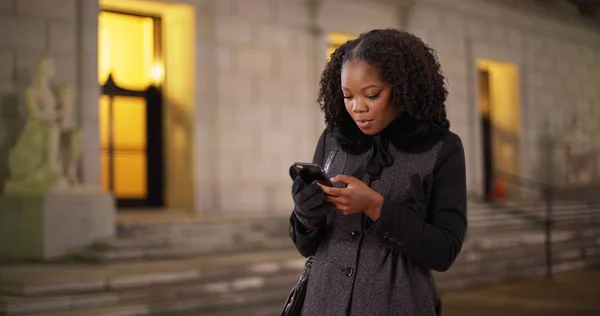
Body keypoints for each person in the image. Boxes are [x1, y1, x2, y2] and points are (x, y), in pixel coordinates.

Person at [288, 29, 467, 316]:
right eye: (347, 96)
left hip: (398, 304)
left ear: (403, 87)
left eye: (372, 95)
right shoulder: (332, 141)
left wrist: (376, 207)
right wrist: (305, 215)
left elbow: (444, 251)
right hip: (321, 303)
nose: (357, 108)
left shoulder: (443, 149)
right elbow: (307, 245)